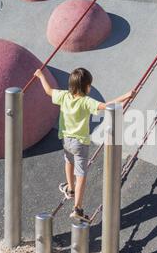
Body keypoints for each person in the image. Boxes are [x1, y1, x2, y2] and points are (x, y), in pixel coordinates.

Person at [34, 67, 134, 221]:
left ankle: (70, 188)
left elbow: (48, 90)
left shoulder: (64, 96)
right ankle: (77, 208)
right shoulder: (86, 101)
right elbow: (107, 106)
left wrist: (40, 75)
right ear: (86, 87)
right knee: (81, 174)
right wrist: (126, 96)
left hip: (65, 140)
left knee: (68, 161)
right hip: (80, 143)